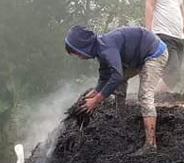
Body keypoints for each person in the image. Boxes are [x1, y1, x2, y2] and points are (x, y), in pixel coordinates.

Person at [65, 24, 168, 154]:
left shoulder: (106, 48)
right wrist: (96, 91)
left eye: (77, 53)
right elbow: (104, 75)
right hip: (138, 58)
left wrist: (96, 100)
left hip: (155, 53)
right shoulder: (99, 49)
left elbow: (117, 75)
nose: (79, 57)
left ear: (83, 46)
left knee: (144, 95)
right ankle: (121, 118)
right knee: (118, 81)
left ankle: (150, 145)